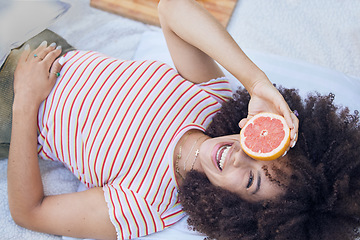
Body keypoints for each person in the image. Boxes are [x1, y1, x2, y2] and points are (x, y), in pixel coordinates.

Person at [6, 0, 359, 240]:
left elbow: (29, 212)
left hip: (11, 105)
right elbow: (172, 8)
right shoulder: (212, 100)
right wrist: (256, 82)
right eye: (261, 149)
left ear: (235, 209)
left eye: (251, 179)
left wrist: (25, 101)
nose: (239, 155)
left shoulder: (147, 204)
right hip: (49, 51)